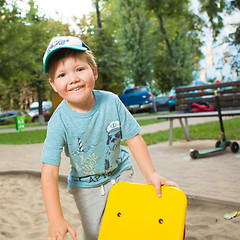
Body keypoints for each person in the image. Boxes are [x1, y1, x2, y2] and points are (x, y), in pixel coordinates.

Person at [41, 36, 179, 240]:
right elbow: (49, 172)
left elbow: (134, 138)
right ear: (53, 84)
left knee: (126, 226)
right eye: (62, 74)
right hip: (86, 187)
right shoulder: (58, 121)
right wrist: (55, 218)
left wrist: (151, 175)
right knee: (97, 234)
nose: (73, 78)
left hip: (119, 173)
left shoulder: (112, 102)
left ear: (94, 72)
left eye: (80, 69)